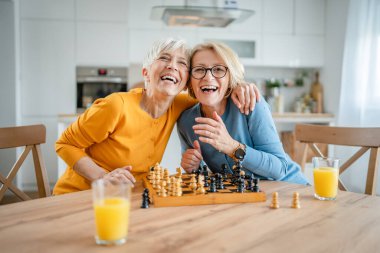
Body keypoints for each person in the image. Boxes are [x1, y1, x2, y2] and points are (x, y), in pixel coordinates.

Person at [53, 38, 260, 195]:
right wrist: (101, 177)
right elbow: (65, 144)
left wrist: (238, 85)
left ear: (186, 81)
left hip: (129, 197)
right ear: (146, 73)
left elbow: (212, 90)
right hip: (81, 195)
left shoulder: (181, 104)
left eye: (181, 63)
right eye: (164, 58)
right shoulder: (116, 106)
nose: (172, 66)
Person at [177, 42, 309, 185]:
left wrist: (232, 147)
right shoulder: (186, 122)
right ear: (189, 80)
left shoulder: (250, 103)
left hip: (290, 190)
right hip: (247, 197)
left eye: (219, 69)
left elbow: (280, 169)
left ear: (230, 78)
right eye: (199, 69)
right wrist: (194, 167)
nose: (208, 77)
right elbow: (206, 174)